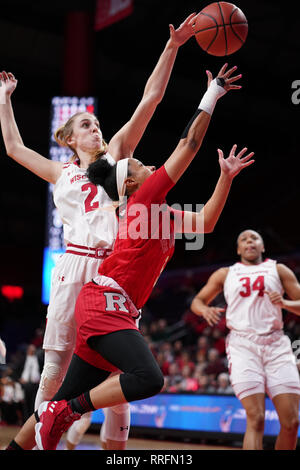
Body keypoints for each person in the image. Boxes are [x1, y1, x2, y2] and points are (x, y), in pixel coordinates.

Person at [6, 62, 253, 451]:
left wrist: (225, 177)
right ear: (133, 180)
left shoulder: (152, 208)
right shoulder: (134, 193)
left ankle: (36, 437)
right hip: (92, 282)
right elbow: (187, 145)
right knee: (110, 377)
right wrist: (212, 93)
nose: (147, 162)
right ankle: (57, 426)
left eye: (95, 124)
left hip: (114, 293)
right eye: (85, 125)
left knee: (105, 387)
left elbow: (204, 220)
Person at [0, 13, 198, 450]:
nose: (95, 127)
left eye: (96, 123)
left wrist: (174, 47)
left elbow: (151, 99)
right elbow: (13, 148)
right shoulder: (60, 173)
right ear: (70, 139)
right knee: (54, 376)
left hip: (112, 272)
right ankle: (33, 445)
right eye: (85, 125)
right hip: (74, 269)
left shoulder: (118, 160)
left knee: (121, 384)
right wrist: (4, 96)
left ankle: (109, 452)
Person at [190, 229, 300, 450]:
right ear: (239, 249)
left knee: (291, 422)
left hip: (277, 345)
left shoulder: (278, 269)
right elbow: (198, 300)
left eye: (254, 238)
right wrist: (204, 310)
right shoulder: (225, 273)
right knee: (256, 417)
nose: (249, 241)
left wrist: (285, 304)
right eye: (244, 239)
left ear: (262, 247)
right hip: (243, 346)